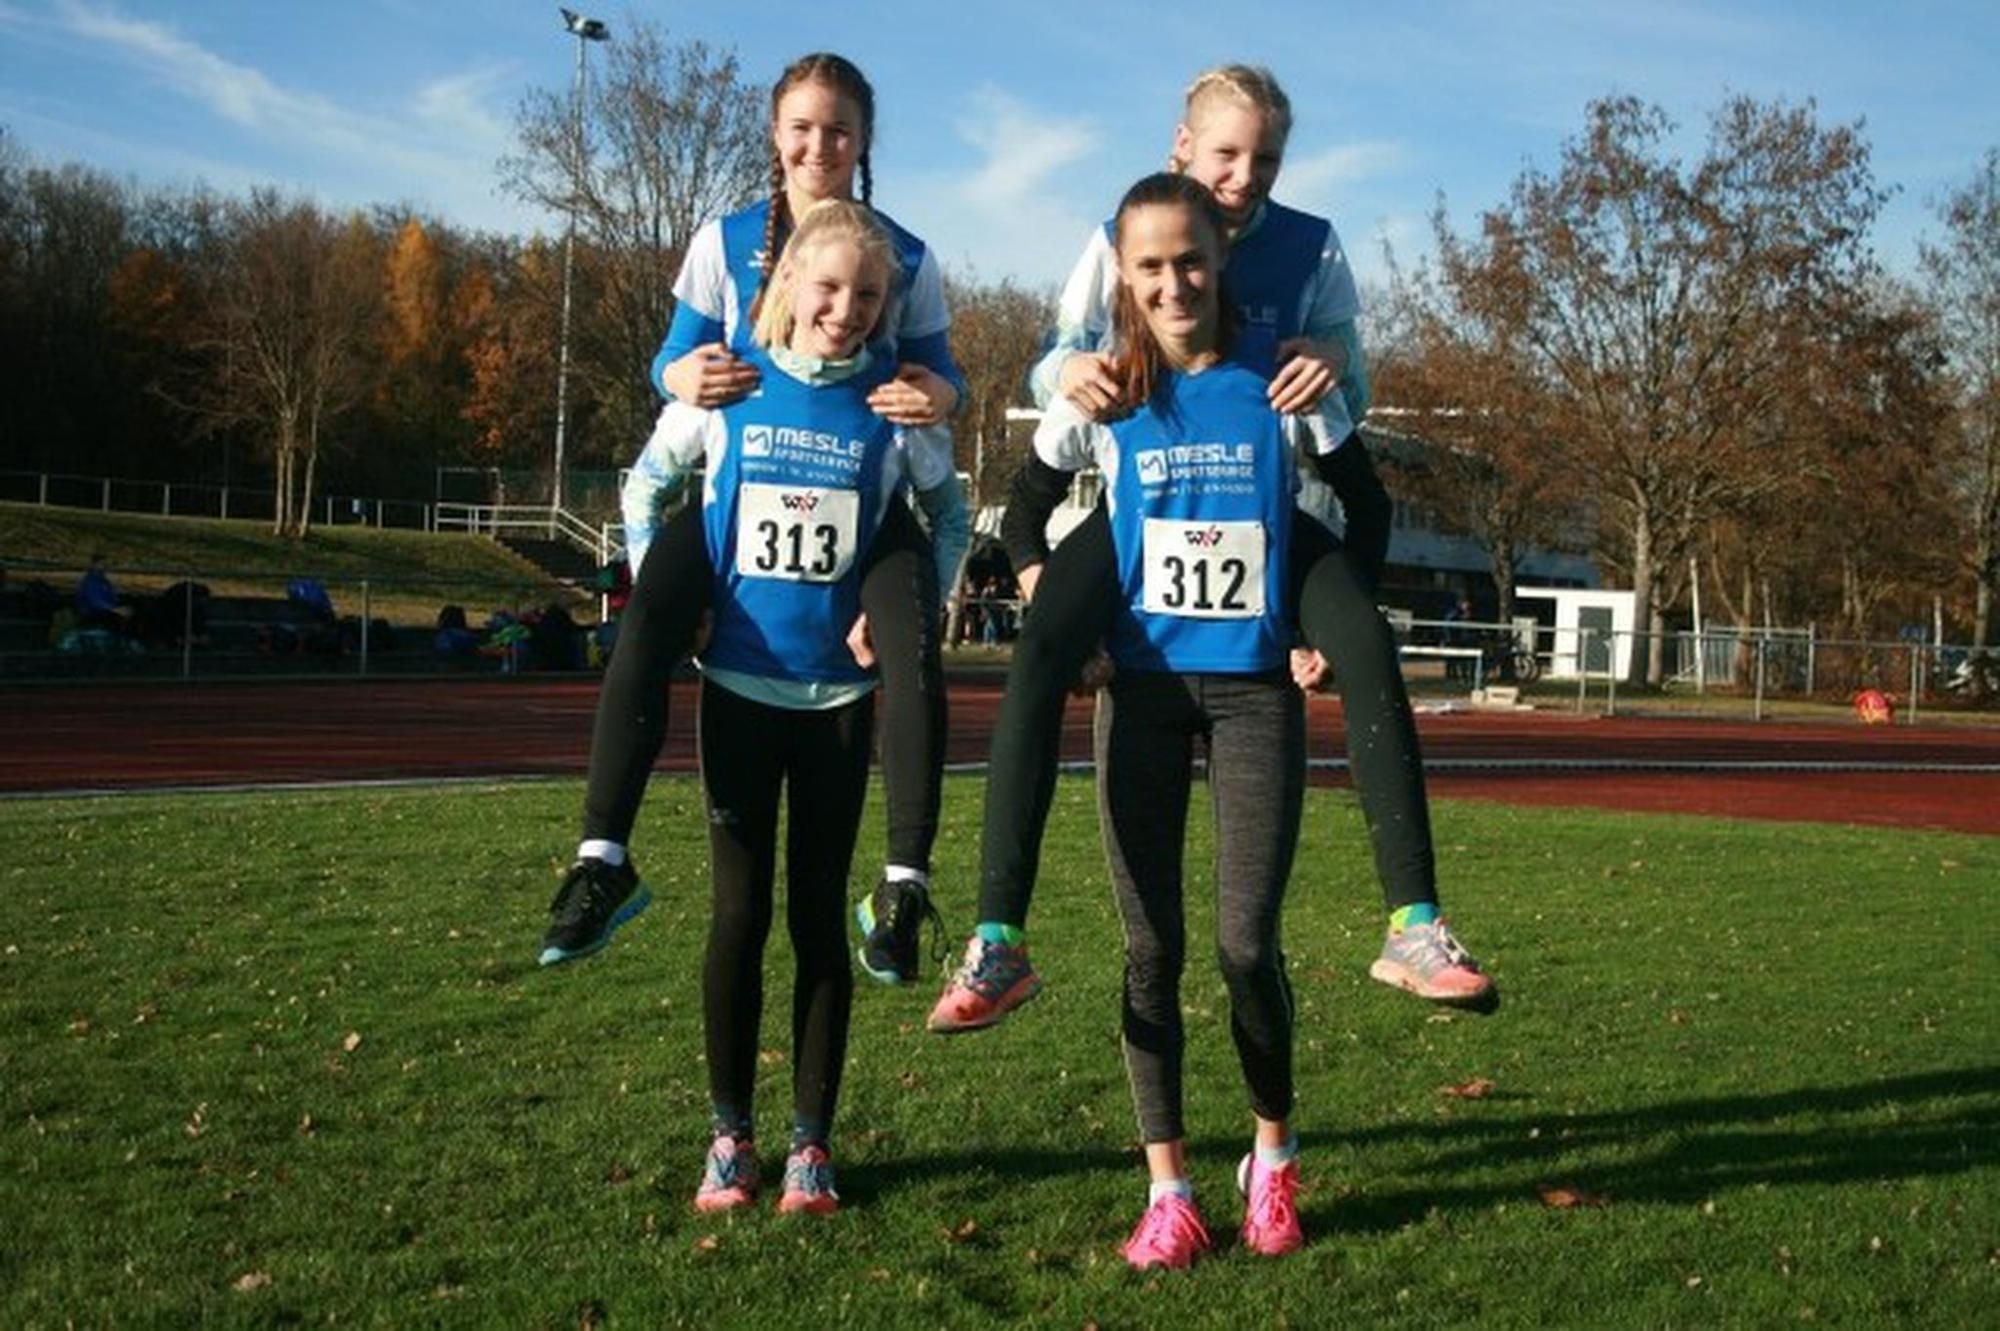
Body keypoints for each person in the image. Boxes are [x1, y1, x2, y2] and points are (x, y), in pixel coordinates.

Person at [929, 64, 1493, 1034]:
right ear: (1180, 147)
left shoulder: (1310, 249)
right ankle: (998, 935)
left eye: (1263, 157)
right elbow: (1050, 359)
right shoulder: (1123, 234)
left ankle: (1412, 919)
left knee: (1364, 643)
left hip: (1264, 504)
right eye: (1225, 152)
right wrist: (1072, 372)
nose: (1244, 175)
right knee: (1037, 657)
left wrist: (1332, 372)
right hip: (1142, 503)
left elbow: (1346, 399)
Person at [537, 53, 971, 981]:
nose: (821, 145)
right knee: (649, 616)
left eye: (841, 129)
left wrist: (940, 399)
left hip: (864, 483)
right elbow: (674, 366)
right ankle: (601, 860)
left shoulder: (908, 254)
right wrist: (673, 376)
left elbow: (942, 378)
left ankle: (904, 882)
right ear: (776, 135)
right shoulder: (723, 239)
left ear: (865, 141)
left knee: (911, 645)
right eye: (803, 127)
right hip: (742, 470)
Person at [630, 200, 961, 1214]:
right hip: (737, 688)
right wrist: (669, 597)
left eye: (868, 296)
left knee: (817, 919)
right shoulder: (729, 386)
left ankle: (810, 1142)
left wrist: (913, 614)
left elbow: (947, 512)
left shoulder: (892, 403)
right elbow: (647, 483)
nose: (847, 309)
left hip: (837, 702)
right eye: (828, 288)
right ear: (784, 289)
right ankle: (730, 1135)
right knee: (738, 915)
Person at [1024, 175, 1320, 1266]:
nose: (1170, 282)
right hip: (1138, 692)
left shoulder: (1271, 380)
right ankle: (1167, 1190)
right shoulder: (1103, 391)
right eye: (1147, 267)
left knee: (1245, 944)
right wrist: (1062, 625)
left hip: (1253, 693)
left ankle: (1271, 1161)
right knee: (1149, 946)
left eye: (1187, 260)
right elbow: (1023, 505)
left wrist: (1322, 616)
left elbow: (1339, 512)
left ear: (1218, 259)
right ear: (1123, 274)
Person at [75, 552, 123, 634]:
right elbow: (96, 600)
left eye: (105, 563)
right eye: (102, 563)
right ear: (94, 564)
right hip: (94, 617)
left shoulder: (101, 579)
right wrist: (115, 609)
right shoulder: (92, 580)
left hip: (100, 615)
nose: (105, 566)